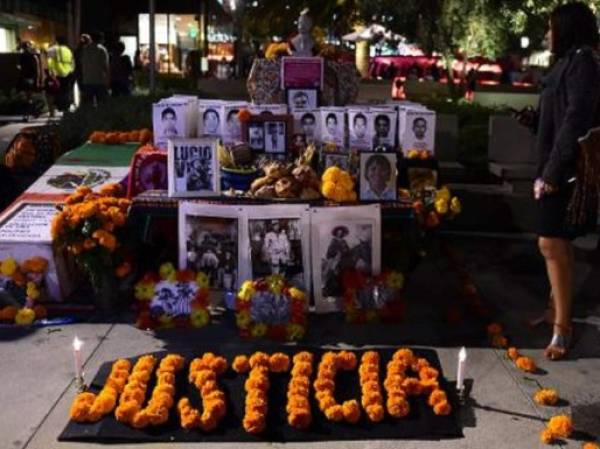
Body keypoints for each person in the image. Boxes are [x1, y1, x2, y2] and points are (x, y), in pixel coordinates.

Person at [522, 2, 600, 360]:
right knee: (558, 244)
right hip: (556, 162)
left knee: (550, 243)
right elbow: (558, 114)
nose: (548, 34)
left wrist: (551, 174)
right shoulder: (569, 62)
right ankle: (556, 312)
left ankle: (563, 329)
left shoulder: (583, 61)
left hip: (565, 168)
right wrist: (535, 120)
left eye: (552, 27)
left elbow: (576, 119)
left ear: (568, 28)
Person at [79, 31, 109, 106]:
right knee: (101, 104)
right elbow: (105, 66)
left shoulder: (85, 49)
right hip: (99, 80)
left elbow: (81, 62)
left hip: (87, 80)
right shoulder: (102, 50)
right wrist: (108, 79)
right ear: (101, 39)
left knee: (89, 104)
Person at [47, 36, 75, 113]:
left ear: (57, 41)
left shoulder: (52, 50)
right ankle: (66, 107)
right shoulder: (68, 50)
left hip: (57, 73)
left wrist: (51, 73)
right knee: (66, 91)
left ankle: (56, 108)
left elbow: (50, 62)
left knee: (55, 91)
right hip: (68, 73)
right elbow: (72, 62)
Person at [16, 41, 43, 121]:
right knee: (29, 97)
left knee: (27, 97)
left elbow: (19, 67)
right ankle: (32, 112)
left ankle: (29, 114)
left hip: (24, 78)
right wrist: (38, 79)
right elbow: (37, 69)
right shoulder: (33, 56)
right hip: (30, 78)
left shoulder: (22, 56)